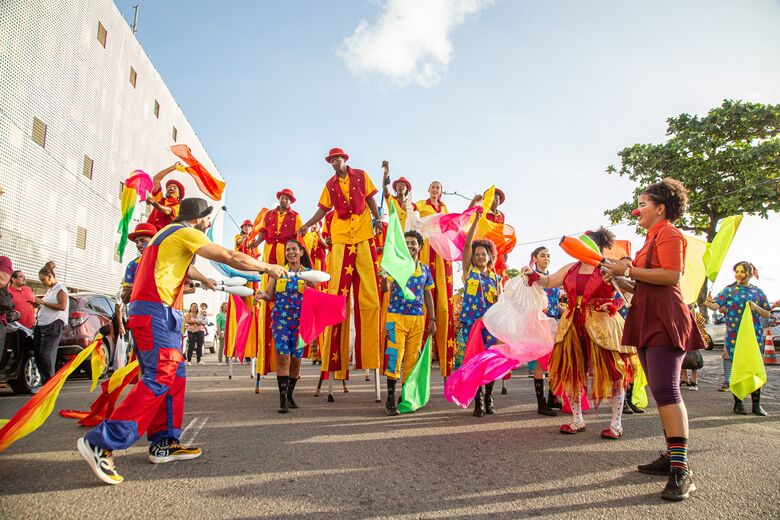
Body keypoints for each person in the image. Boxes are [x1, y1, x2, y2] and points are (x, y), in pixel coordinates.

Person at [77, 197, 286, 485]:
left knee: (175, 377)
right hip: (155, 312)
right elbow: (229, 256)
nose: (208, 224)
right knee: (159, 376)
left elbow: (185, 268)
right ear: (199, 219)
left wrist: (207, 281)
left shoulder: (168, 236)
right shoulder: (185, 232)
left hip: (163, 313)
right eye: (207, 220)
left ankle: (164, 442)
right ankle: (103, 441)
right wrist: (267, 267)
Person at [603, 178, 704, 501]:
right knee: (660, 391)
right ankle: (671, 456)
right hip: (647, 316)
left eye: (643, 204)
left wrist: (629, 270)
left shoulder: (669, 233)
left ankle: (682, 470)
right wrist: (621, 277)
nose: (637, 210)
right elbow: (646, 284)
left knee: (667, 390)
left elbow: (672, 276)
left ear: (661, 208)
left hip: (664, 318)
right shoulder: (650, 238)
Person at [526, 228, 632, 441]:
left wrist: (615, 303)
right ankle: (577, 419)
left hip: (603, 326)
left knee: (614, 374)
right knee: (572, 373)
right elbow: (549, 282)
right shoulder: (570, 268)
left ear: (596, 247)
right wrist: (534, 276)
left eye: (586, 244)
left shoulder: (608, 267)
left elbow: (628, 290)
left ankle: (616, 423)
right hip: (572, 325)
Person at [298, 148, 383, 389]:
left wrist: (377, 219)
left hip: (364, 231)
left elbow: (370, 199)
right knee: (337, 293)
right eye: (332, 161)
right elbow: (323, 210)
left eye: (339, 159)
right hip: (342, 236)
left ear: (346, 160)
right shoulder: (329, 184)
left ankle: (369, 357)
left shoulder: (361, 175)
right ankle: (334, 361)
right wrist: (306, 225)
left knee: (370, 295)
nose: (336, 163)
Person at [378, 230, 436, 416]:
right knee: (395, 356)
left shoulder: (425, 269)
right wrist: (384, 277)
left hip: (417, 319)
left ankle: (404, 397)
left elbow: (428, 294)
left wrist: (432, 319)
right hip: (395, 317)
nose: (410, 245)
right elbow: (386, 289)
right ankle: (389, 399)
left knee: (411, 360)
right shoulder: (396, 266)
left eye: (413, 243)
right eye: (407, 243)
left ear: (420, 246)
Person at [704, 261, 772, 415]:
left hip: (754, 336)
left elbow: (768, 313)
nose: (739, 274)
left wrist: (756, 308)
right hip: (735, 336)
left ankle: (757, 404)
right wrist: (709, 304)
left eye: (742, 271)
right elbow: (716, 305)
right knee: (737, 368)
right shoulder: (729, 291)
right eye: (736, 271)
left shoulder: (758, 292)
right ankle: (738, 403)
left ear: (749, 274)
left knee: (754, 367)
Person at [453, 209, 502, 417]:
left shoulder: (497, 279)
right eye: (477, 254)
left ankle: (489, 397)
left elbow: (500, 304)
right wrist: (476, 221)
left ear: (490, 256)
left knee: (489, 364)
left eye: (484, 253)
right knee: (474, 363)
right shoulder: (468, 272)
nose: (480, 256)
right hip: (471, 326)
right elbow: (466, 245)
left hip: (490, 327)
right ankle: (478, 401)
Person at [258, 239, 314, 412]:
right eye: (288, 249)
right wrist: (262, 294)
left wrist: (309, 279)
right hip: (281, 321)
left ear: (301, 252)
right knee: (283, 357)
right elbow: (269, 294)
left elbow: (316, 295)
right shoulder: (278, 273)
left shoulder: (309, 273)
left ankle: (290, 395)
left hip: (301, 322)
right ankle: (282, 400)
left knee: (296, 360)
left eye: (294, 249)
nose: (291, 252)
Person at [251, 189, 302, 375]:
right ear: (279, 199)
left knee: (287, 281)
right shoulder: (269, 215)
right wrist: (255, 244)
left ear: (291, 201)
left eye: (288, 198)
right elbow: (263, 234)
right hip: (270, 250)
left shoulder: (295, 216)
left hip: (285, 249)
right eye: (282, 197)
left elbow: (297, 239)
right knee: (270, 280)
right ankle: (267, 295)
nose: (285, 200)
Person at [416, 181, 455, 378]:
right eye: (432, 186)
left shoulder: (445, 207)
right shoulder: (420, 205)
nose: (435, 189)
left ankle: (444, 360)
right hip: (425, 246)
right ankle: (419, 357)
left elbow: (448, 226)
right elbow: (412, 220)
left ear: (440, 191)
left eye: (438, 187)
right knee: (424, 291)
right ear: (428, 190)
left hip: (440, 251)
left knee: (444, 304)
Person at [528, 247, 561, 416]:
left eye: (548, 255)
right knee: (540, 364)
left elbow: (555, 304)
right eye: (542, 255)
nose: (546, 258)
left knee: (554, 362)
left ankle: (552, 398)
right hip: (538, 324)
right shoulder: (530, 278)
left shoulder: (553, 278)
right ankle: (541, 404)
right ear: (535, 258)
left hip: (553, 324)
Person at [33, 263, 69, 383]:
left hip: (53, 324)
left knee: (46, 354)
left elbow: (62, 306)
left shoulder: (60, 288)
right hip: (41, 324)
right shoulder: (49, 290)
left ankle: (50, 382)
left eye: (43, 280)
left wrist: (43, 303)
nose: (42, 282)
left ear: (50, 277)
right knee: (38, 354)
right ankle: (45, 381)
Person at [146, 164, 185, 231]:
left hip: (164, 237)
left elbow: (168, 211)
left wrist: (153, 203)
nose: (171, 188)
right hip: (150, 233)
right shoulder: (160, 199)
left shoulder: (179, 206)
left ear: (179, 195)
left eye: (174, 187)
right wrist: (173, 167)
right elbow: (156, 179)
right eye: (169, 187)